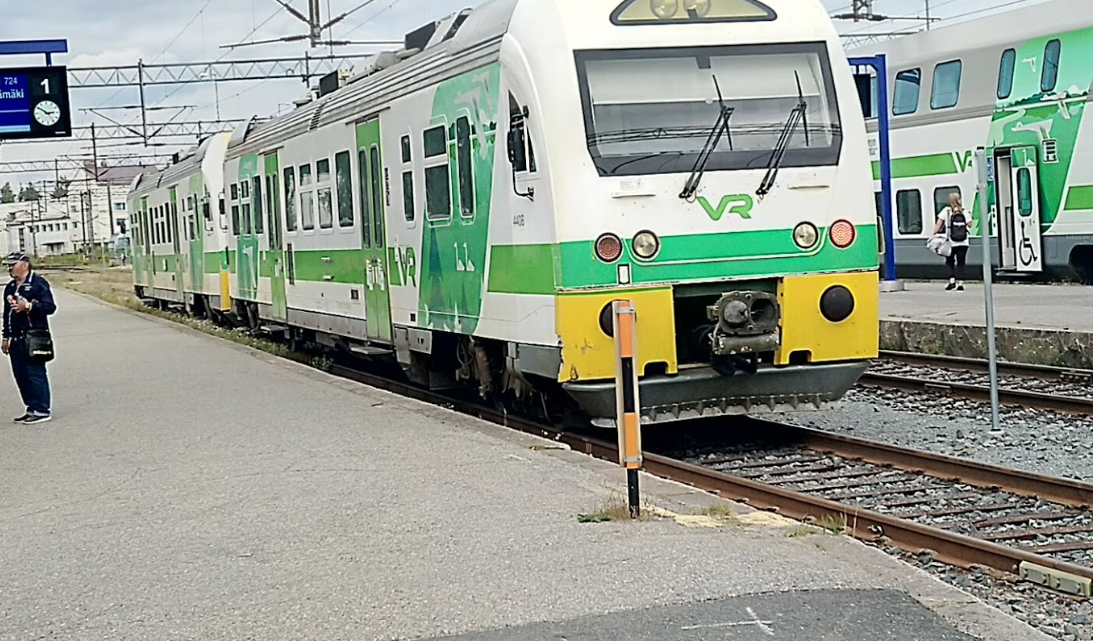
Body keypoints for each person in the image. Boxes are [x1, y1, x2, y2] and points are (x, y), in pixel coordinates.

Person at [2, 252, 56, 423]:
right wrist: (6, 336)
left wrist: (29, 306)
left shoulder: (38, 283)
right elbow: (7, 314)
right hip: (16, 339)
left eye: (13, 264)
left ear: (25, 265)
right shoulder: (10, 287)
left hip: (33, 336)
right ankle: (31, 407)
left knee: (35, 373)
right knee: (21, 375)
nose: (10, 268)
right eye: (8, 265)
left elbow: (50, 306)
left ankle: (42, 409)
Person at [933, 193, 970, 291]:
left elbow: (938, 224)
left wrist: (934, 234)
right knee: (961, 262)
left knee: (950, 262)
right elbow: (970, 224)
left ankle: (952, 282)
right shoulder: (964, 211)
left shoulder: (946, 211)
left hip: (950, 242)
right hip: (963, 242)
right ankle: (960, 283)